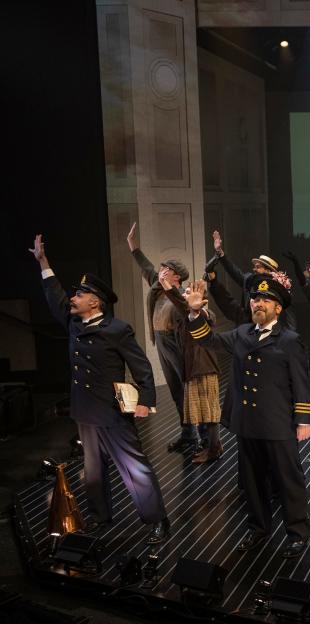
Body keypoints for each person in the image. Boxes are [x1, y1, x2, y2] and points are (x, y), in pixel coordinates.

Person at [30, 234, 168, 543]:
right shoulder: (74, 324)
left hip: (112, 411)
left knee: (135, 470)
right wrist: (43, 262)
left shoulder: (116, 330)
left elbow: (142, 366)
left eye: (78, 295)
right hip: (85, 411)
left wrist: (146, 399)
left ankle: (156, 520)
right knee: (93, 472)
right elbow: (55, 298)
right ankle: (100, 516)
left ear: (95, 302)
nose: (73, 299)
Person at [185, 273, 310, 559]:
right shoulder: (242, 333)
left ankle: (297, 533)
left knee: (288, 480)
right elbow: (208, 340)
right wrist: (195, 312)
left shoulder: (289, 339)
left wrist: (303, 419)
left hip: (278, 422)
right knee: (252, 482)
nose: (258, 303)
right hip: (248, 422)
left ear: (278, 308)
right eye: (255, 299)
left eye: (266, 300)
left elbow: (302, 382)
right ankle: (258, 529)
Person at [126, 222, 195, 453]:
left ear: (176, 276)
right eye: (161, 268)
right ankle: (187, 434)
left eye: (166, 269)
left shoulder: (180, 294)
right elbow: (145, 267)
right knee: (176, 390)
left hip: (177, 345)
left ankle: (201, 435)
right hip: (162, 343)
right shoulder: (157, 287)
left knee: (188, 390)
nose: (161, 271)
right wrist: (133, 246)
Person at [159, 270, 223, 464]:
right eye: (185, 293)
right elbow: (182, 306)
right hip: (194, 369)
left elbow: (204, 315)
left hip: (203, 369)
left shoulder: (204, 313)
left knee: (209, 412)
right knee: (203, 411)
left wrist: (171, 290)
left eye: (188, 293)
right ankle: (212, 446)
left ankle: (214, 448)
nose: (185, 296)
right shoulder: (186, 314)